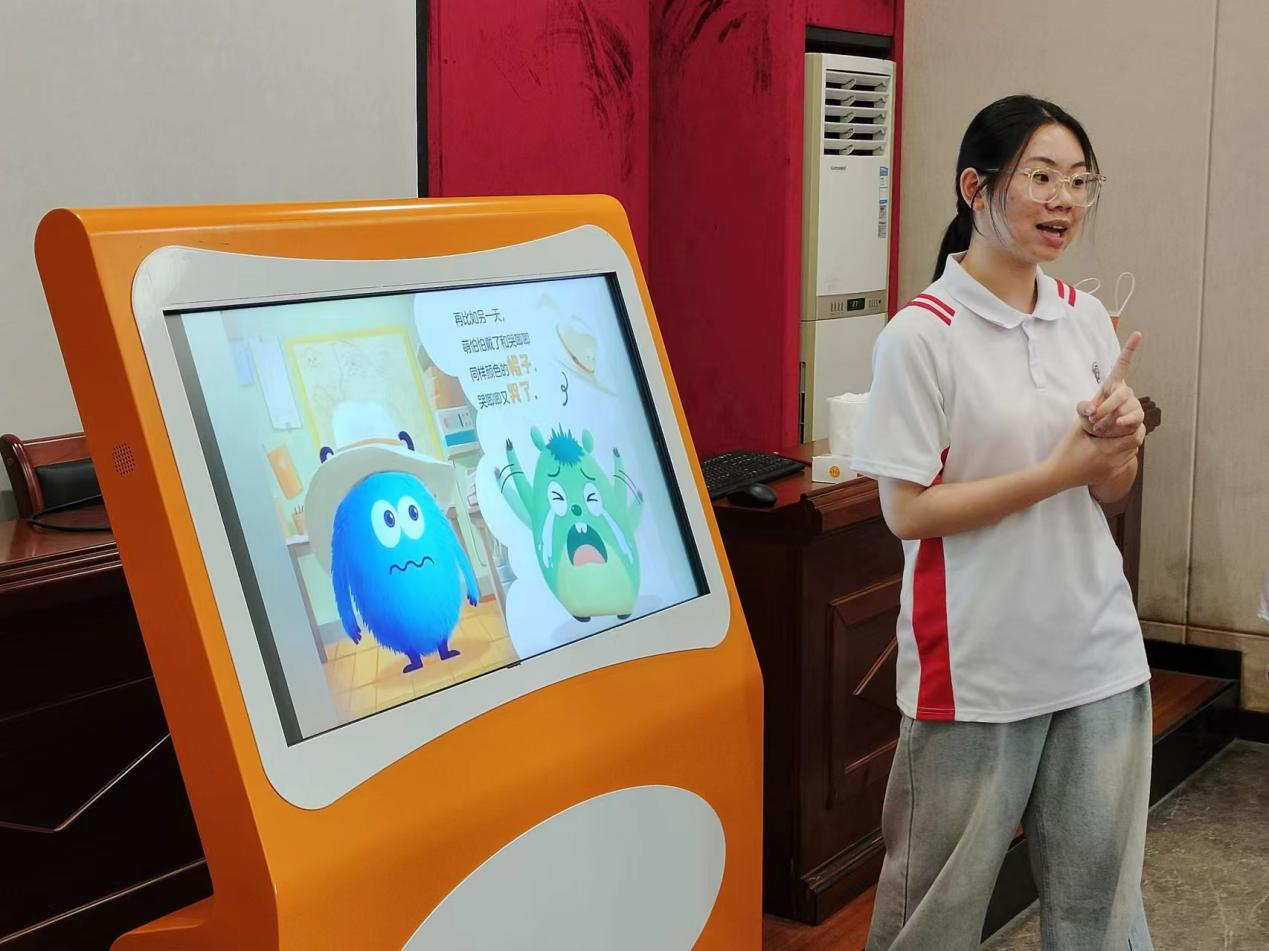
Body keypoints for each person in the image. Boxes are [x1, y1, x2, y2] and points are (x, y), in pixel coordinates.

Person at [852, 95, 1153, 950]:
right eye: (1040, 177)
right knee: (932, 915)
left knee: (1102, 914)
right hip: (976, 668)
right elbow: (907, 512)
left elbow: (1109, 491)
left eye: (1079, 181)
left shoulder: (1081, 315)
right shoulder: (920, 336)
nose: (1063, 200)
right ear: (974, 188)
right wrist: (1056, 472)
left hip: (1097, 652)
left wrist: (1118, 445)